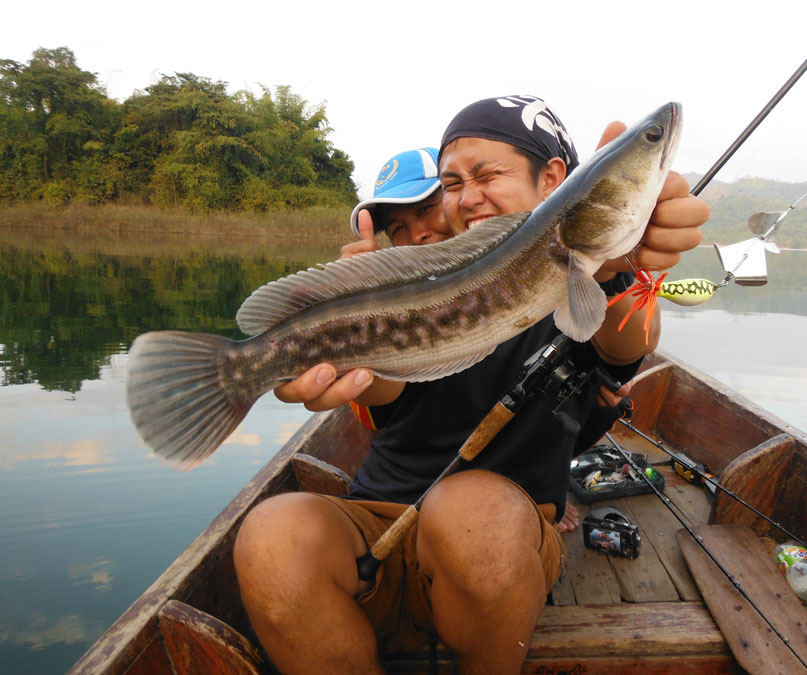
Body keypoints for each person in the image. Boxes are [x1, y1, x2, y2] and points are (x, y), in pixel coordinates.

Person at [233, 95, 708, 674]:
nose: (467, 196)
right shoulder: (430, 285)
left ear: (554, 177)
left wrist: (620, 267)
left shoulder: (598, 285)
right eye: (451, 182)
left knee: (470, 509)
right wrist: (347, 344)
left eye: (487, 175)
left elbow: (626, 343)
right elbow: (387, 393)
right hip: (377, 530)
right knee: (269, 535)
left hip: (497, 547)